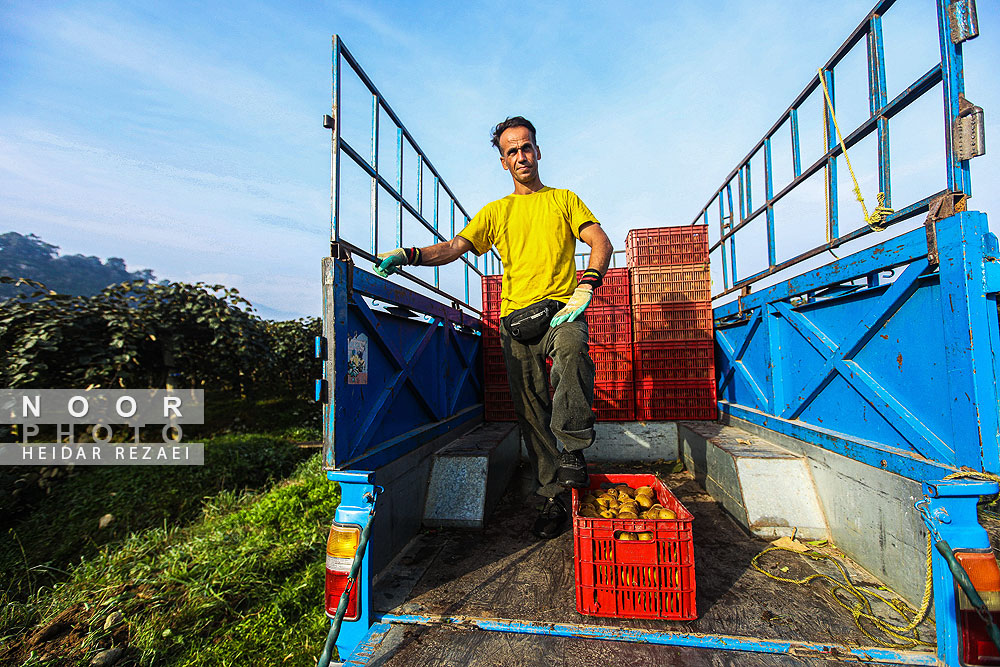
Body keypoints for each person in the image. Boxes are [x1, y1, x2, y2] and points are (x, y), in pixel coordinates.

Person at [373, 116, 613, 539]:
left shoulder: (564, 200)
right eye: (512, 151)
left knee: (574, 350)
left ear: (538, 151)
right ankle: (553, 495)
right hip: (515, 323)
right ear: (504, 162)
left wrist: (586, 287)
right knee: (532, 413)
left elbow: (600, 242)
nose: (521, 155)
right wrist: (407, 254)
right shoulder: (496, 212)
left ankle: (574, 450)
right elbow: (451, 248)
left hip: (561, 310)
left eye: (526, 146)